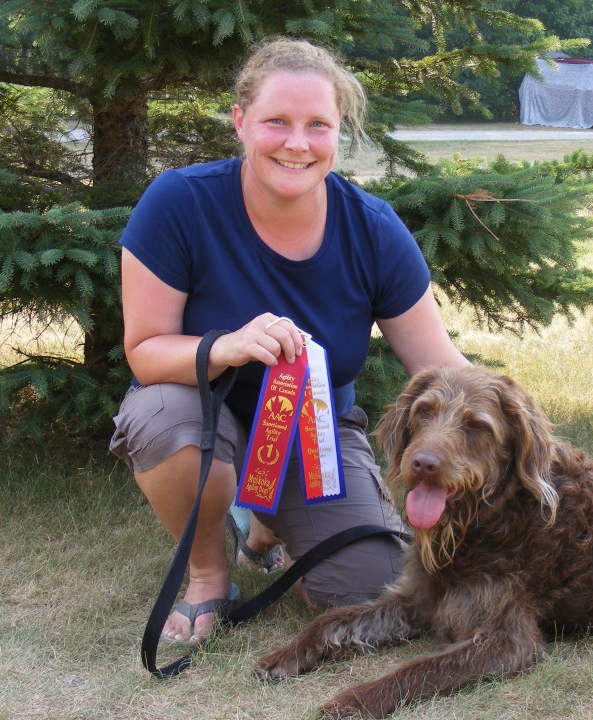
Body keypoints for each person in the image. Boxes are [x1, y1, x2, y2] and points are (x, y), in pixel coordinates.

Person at [109, 37, 468, 646]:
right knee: (165, 419)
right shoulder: (179, 203)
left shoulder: (374, 229)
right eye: (276, 121)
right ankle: (209, 572)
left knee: (371, 587)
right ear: (240, 122)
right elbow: (145, 350)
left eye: (317, 125)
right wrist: (225, 346)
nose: (297, 143)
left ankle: (267, 527)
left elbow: (444, 369)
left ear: (338, 131)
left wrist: (551, 457)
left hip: (315, 437)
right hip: (202, 415)